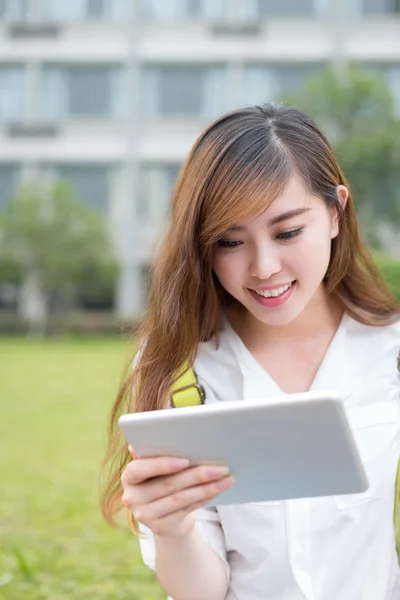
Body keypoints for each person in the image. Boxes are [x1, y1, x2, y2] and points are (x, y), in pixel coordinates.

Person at [100, 103, 400, 600]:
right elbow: (204, 590)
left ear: (334, 213)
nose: (263, 268)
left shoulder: (389, 349)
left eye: (287, 232)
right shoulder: (178, 368)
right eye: (229, 241)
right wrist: (173, 530)